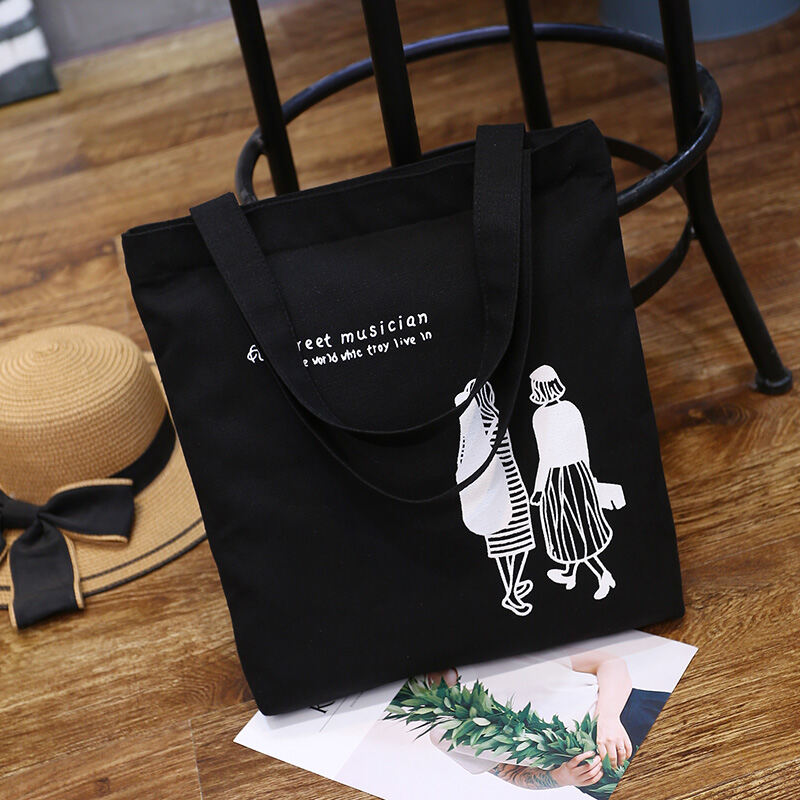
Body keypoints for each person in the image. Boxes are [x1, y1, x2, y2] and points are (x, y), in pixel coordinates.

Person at [427, 650, 669, 796]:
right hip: (596, 775)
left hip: (631, 714)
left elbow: (609, 662)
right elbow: (512, 773)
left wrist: (608, 718)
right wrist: (561, 777)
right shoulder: (444, 732)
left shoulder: (503, 642)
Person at [528, 365, 620, 601]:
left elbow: (545, 457)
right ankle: (570, 573)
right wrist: (588, 475)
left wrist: (538, 490)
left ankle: (603, 574)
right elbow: (582, 445)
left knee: (570, 529)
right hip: (579, 474)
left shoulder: (540, 416)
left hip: (557, 479)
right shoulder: (570, 408)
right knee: (578, 526)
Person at [455, 379, 535, 615]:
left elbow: (461, 461)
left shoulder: (469, 429)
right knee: (519, 539)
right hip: (508, 483)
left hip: (487, 491)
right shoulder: (492, 421)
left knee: (501, 540)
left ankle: (512, 586)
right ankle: (511, 592)